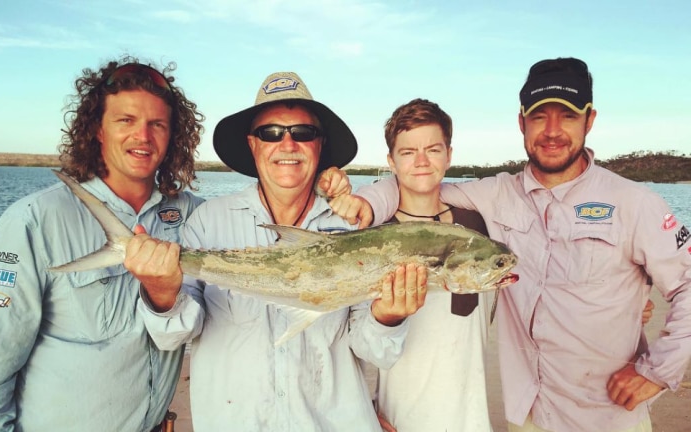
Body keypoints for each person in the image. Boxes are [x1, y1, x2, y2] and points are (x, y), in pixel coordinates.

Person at [339, 57, 691, 432]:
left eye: (568, 116)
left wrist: (658, 371)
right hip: (528, 415)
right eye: (540, 117)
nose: (552, 131)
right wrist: (368, 202)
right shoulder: (496, 194)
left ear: (589, 120)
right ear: (522, 122)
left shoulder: (635, 202)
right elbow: (422, 183)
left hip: (606, 415)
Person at [125, 71, 427, 431]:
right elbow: (172, 335)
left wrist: (388, 316)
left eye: (303, 133)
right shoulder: (209, 222)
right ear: (253, 145)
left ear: (319, 145)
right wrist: (161, 292)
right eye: (271, 133)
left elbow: (376, 352)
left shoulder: (353, 226)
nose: (287, 144)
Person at [0, 58, 205, 431]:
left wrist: (331, 193)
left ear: (172, 134)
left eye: (157, 124)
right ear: (97, 129)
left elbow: (259, 228)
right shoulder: (32, 220)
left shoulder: (195, 216)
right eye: (125, 121)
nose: (142, 137)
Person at [369, 98, 497, 432]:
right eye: (408, 152)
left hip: (472, 419)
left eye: (433, 149)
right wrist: (363, 408)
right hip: (398, 420)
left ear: (449, 154)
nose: (422, 161)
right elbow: (349, 334)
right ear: (391, 161)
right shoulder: (373, 234)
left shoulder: (480, 227)